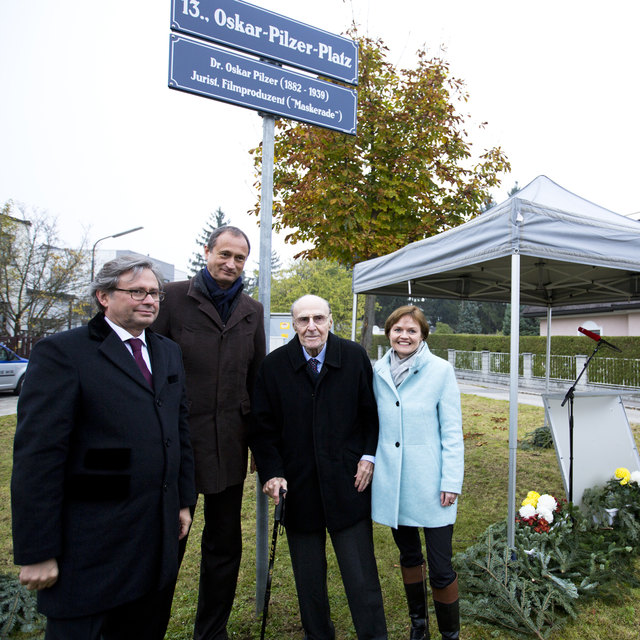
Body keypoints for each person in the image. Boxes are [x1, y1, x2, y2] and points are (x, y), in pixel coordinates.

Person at [11, 255, 196, 640]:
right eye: (137, 292)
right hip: (92, 548)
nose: (149, 300)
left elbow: (178, 432)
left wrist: (181, 500)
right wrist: (37, 551)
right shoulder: (63, 354)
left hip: (155, 539)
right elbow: (38, 456)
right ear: (103, 297)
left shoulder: (167, 352)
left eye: (155, 293)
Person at [249, 294, 387, 640]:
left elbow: (372, 416)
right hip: (298, 487)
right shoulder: (274, 365)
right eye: (303, 320)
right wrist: (272, 472)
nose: (311, 327)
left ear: (330, 321)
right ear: (293, 325)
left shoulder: (353, 357)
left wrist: (368, 456)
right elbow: (262, 430)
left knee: (361, 576)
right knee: (308, 580)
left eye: (319, 319)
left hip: (347, 483)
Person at [153, 225, 265, 640]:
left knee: (223, 547)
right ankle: (150, 627)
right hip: (176, 446)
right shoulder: (172, 298)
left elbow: (256, 384)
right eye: (225, 255)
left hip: (229, 448)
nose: (231, 264)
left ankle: (211, 632)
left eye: (239, 258)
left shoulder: (251, 312)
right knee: (169, 544)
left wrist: (259, 447)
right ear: (207, 252)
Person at [371, 305, 463, 640]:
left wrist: (451, 480)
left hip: (433, 483)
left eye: (412, 330)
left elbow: (452, 431)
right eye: (398, 330)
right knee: (409, 555)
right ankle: (418, 626)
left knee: (441, 567)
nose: (404, 336)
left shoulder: (439, 371)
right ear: (389, 333)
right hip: (395, 483)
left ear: (422, 335)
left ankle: (449, 634)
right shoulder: (377, 371)